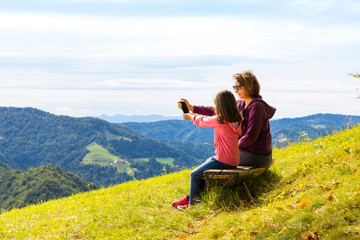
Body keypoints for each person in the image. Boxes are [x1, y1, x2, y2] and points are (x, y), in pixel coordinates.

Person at [180, 70, 276, 169]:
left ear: (249, 86)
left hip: (257, 155)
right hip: (247, 151)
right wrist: (192, 108)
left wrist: (232, 146)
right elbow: (220, 111)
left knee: (215, 163)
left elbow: (250, 137)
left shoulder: (257, 106)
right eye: (234, 87)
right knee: (212, 162)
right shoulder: (241, 103)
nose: (235, 90)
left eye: (238, 87)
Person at [172, 90, 242, 209]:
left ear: (220, 105)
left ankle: (192, 205)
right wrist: (192, 108)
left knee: (194, 174)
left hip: (223, 159)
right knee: (205, 167)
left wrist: (190, 116)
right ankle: (195, 199)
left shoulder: (219, 120)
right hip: (234, 160)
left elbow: (203, 120)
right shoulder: (237, 120)